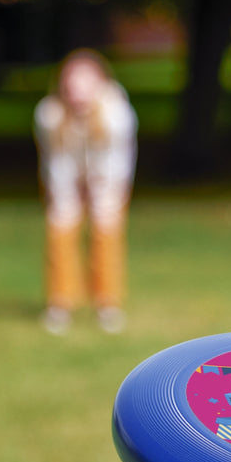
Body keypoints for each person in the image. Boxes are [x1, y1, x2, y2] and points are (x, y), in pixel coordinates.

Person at [34, 48, 138, 334]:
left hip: (107, 179)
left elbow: (117, 161)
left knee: (106, 232)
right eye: (71, 83)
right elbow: (56, 161)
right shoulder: (49, 114)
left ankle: (107, 304)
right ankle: (60, 303)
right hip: (65, 177)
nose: (77, 91)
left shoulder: (117, 114)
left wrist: (101, 191)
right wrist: (66, 196)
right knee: (60, 228)